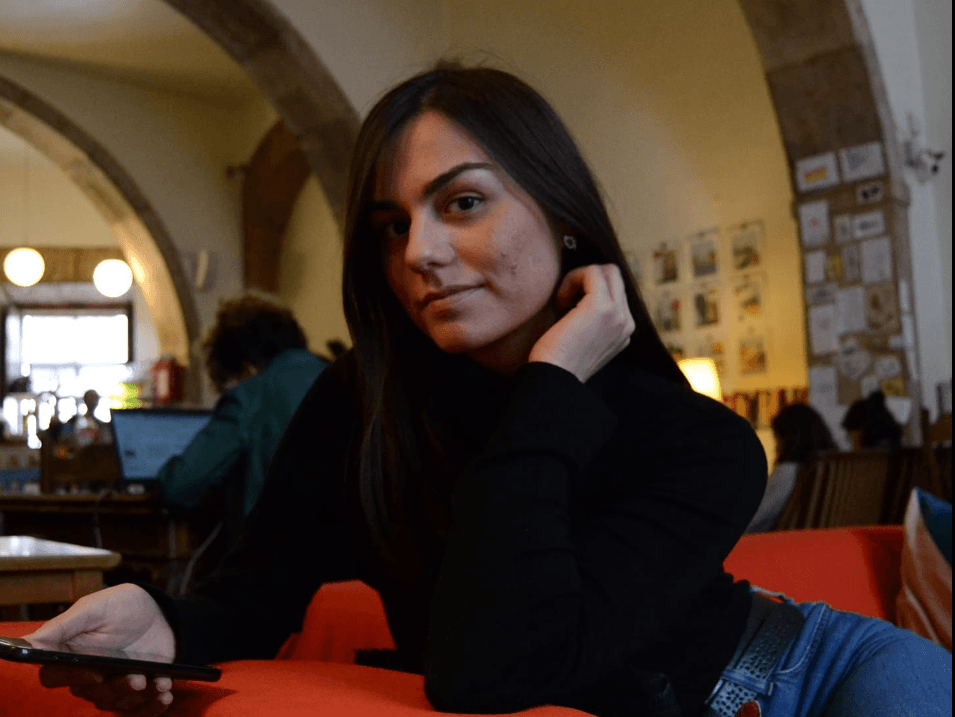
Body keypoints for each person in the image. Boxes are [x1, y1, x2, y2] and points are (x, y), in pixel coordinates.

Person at [23, 64, 950, 717]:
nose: (419, 252)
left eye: (461, 202)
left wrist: (550, 382)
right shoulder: (361, 407)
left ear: (562, 216)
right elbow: (253, 599)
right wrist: (161, 618)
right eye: (391, 225)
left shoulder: (697, 442)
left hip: (812, 674)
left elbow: (501, 665)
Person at [156, 294, 328, 522]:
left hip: (282, 539)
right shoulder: (338, 375)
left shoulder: (252, 395)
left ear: (246, 368)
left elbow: (180, 486)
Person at [745, 403, 838, 533]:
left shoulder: (788, 471)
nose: (776, 447)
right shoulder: (833, 468)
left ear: (787, 439)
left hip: (775, 541)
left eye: (776, 439)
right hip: (826, 539)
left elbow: (754, 518)